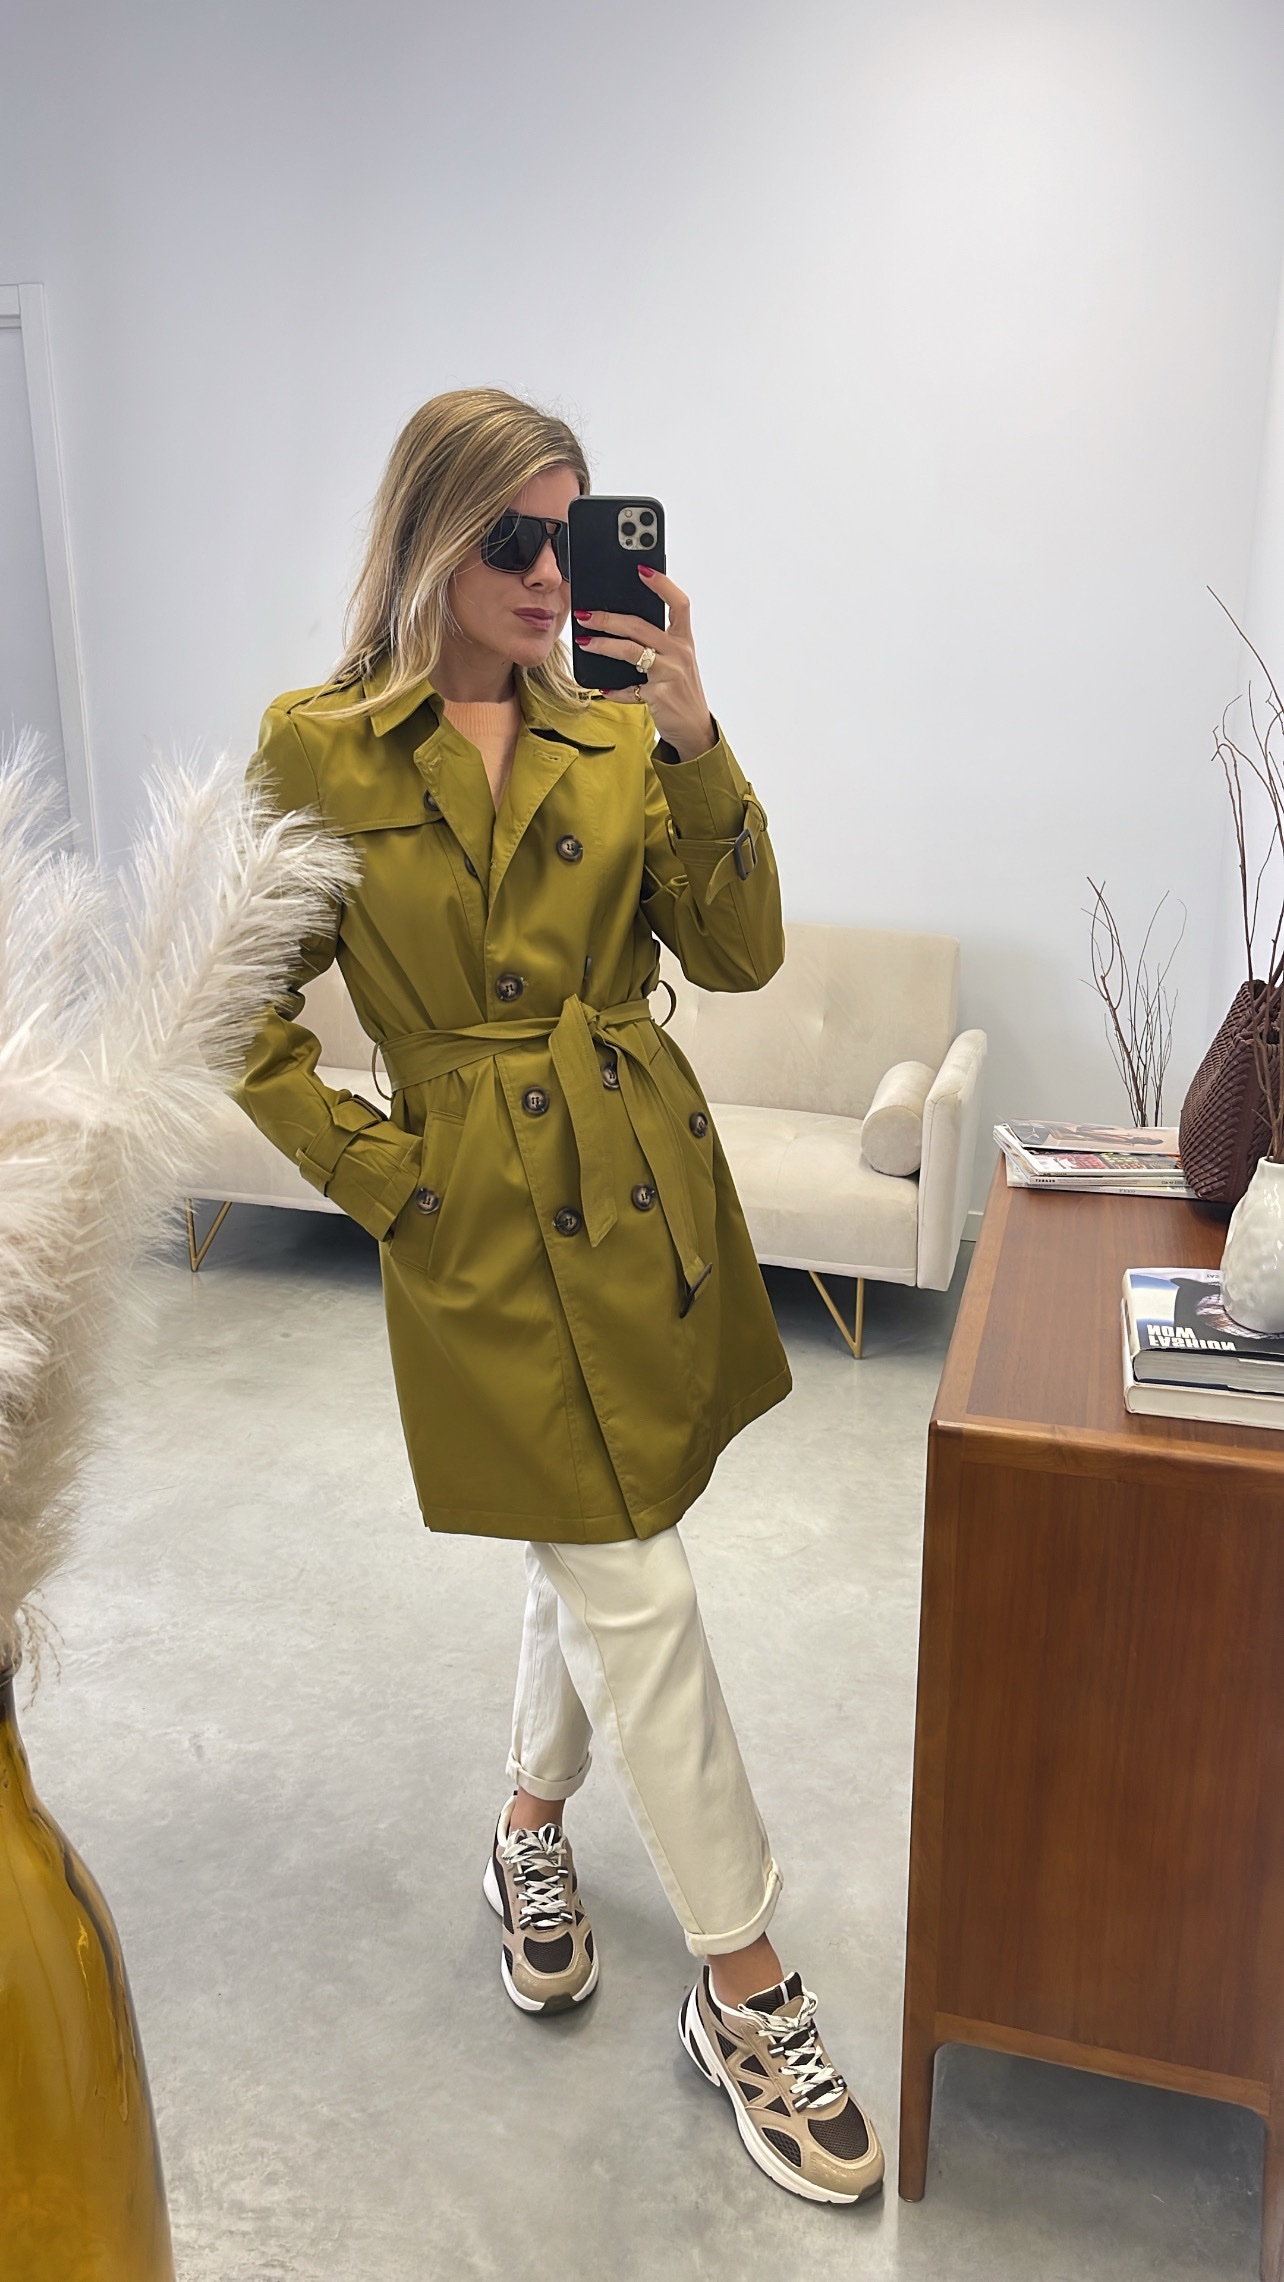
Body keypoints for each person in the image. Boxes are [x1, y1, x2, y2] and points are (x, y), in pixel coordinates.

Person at [237, 387, 884, 2205]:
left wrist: (697, 732)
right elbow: (239, 1011)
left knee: (595, 1530)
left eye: (572, 535)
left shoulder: (614, 735)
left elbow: (739, 950)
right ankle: (745, 1981)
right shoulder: (316, 748)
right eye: (511, 537)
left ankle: (531, 1819)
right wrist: (388, 1178)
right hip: (476, 1218)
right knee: (634, 1576)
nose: (546, 572)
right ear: (429, 537)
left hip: (634, 1186)